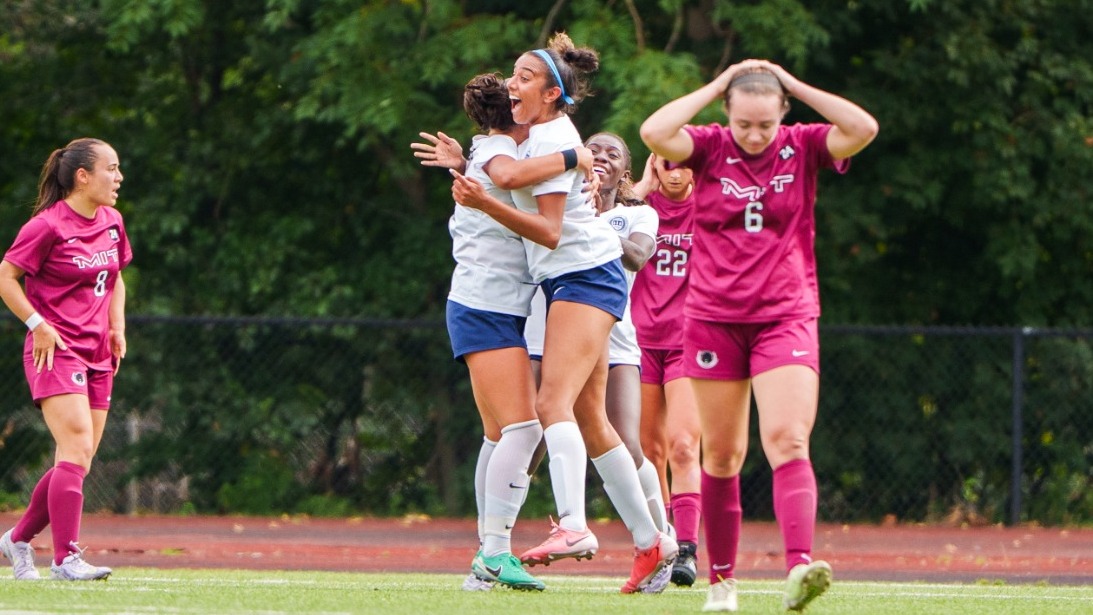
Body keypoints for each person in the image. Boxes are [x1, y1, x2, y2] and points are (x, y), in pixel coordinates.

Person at [640, 59, 879, 612]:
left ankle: (798, 569)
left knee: (789, 439)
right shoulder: (707, 146)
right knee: (721, 457)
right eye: (743, 123)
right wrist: (718, 85)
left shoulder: (804, 145)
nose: (753, 136)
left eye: (765, 125)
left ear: (782, 117)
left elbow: (863, 129)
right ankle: (722, 585)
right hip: (712, 318)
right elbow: (654, 133)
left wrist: (790, 85)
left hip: (785, 313)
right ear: (727, 115)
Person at [451, 32, 678, 594]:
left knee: (550, 406)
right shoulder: (542, 139)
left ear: (552, 94)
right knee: (592, 421)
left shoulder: (552, 134)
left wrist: (486, 199)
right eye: (513, 75)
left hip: (583, 275)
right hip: (572, 279)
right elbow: (503, 175)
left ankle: (574, 526)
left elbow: (550, 233)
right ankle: (654, 544)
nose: (513, 83)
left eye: (525, 77)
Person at [413, 72, 595, 592]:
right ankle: (493, 555)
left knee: (500, 436)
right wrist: (573, 158)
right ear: (512, 116)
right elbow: (510, 177)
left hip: (488, 307)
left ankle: (488, 560)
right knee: (524, 429)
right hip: (484, 307)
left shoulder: (486, 151)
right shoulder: (497, 151)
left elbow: (502, 175)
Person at [0, 137, 132, 581]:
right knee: (75, 444)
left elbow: (114, 279)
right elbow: (6, 277)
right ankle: (65, 559)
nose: (118, 178)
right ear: (82, 176)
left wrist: (117, 327)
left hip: (98, 352)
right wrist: (37, 323)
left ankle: (17, 538)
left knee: (79, 457)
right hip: (53, 348)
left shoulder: (112, 221)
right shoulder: (47, 226)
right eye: (110, 169)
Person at [630, 153, 703, 588]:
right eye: (666, 163)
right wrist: (643, 186)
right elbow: (599, 222)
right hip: (639, 343)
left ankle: (689, 550)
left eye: (684, 163)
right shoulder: (640, 209)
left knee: (682, 445)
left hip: (689, 343)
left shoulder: (709, 204)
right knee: (648, 451)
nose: (674, 172)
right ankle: (664, 541)